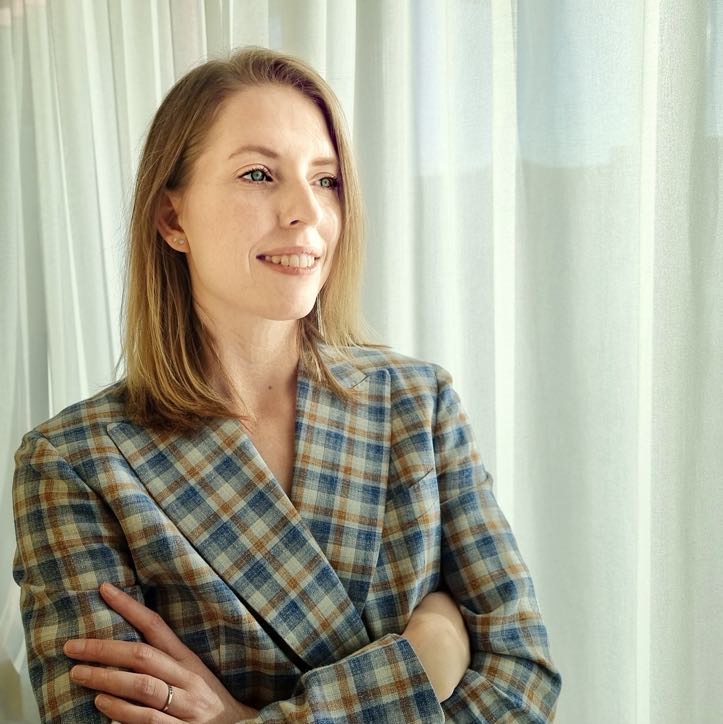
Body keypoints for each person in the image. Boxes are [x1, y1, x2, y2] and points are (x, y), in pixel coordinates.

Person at [13, 47, 561, 723]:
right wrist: (423, 661)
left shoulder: (418, 403)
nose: (306, 211)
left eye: (326, 180)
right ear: (173, 219)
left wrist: (244, 720)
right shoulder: (75, 461)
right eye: (258, 174)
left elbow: (522, 686)